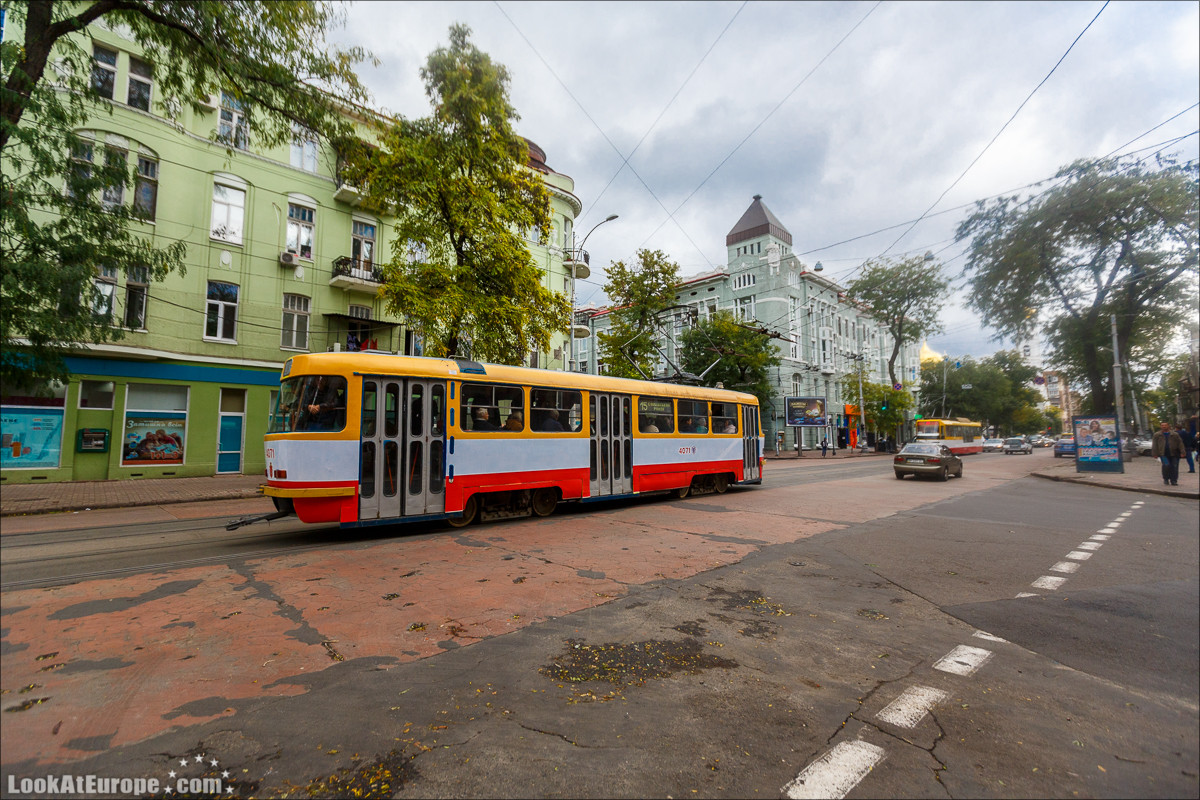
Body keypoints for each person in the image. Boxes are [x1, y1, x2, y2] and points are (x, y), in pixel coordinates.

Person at [1151, 421, 1185, 486]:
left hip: (1174, 453)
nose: (1164, 426)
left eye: (1165, 425)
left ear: (1168, 426)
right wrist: (1154, 453)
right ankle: (1166, 478)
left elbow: (1180, 443)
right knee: (1166, 465)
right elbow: (1154, 445)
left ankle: (1174, 480)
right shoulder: (1157, 435)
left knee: (1174, 466)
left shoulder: (1174, 434)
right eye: (1162, 425)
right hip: (1163, 454)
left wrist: (1182, 452)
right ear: (1161, 426)